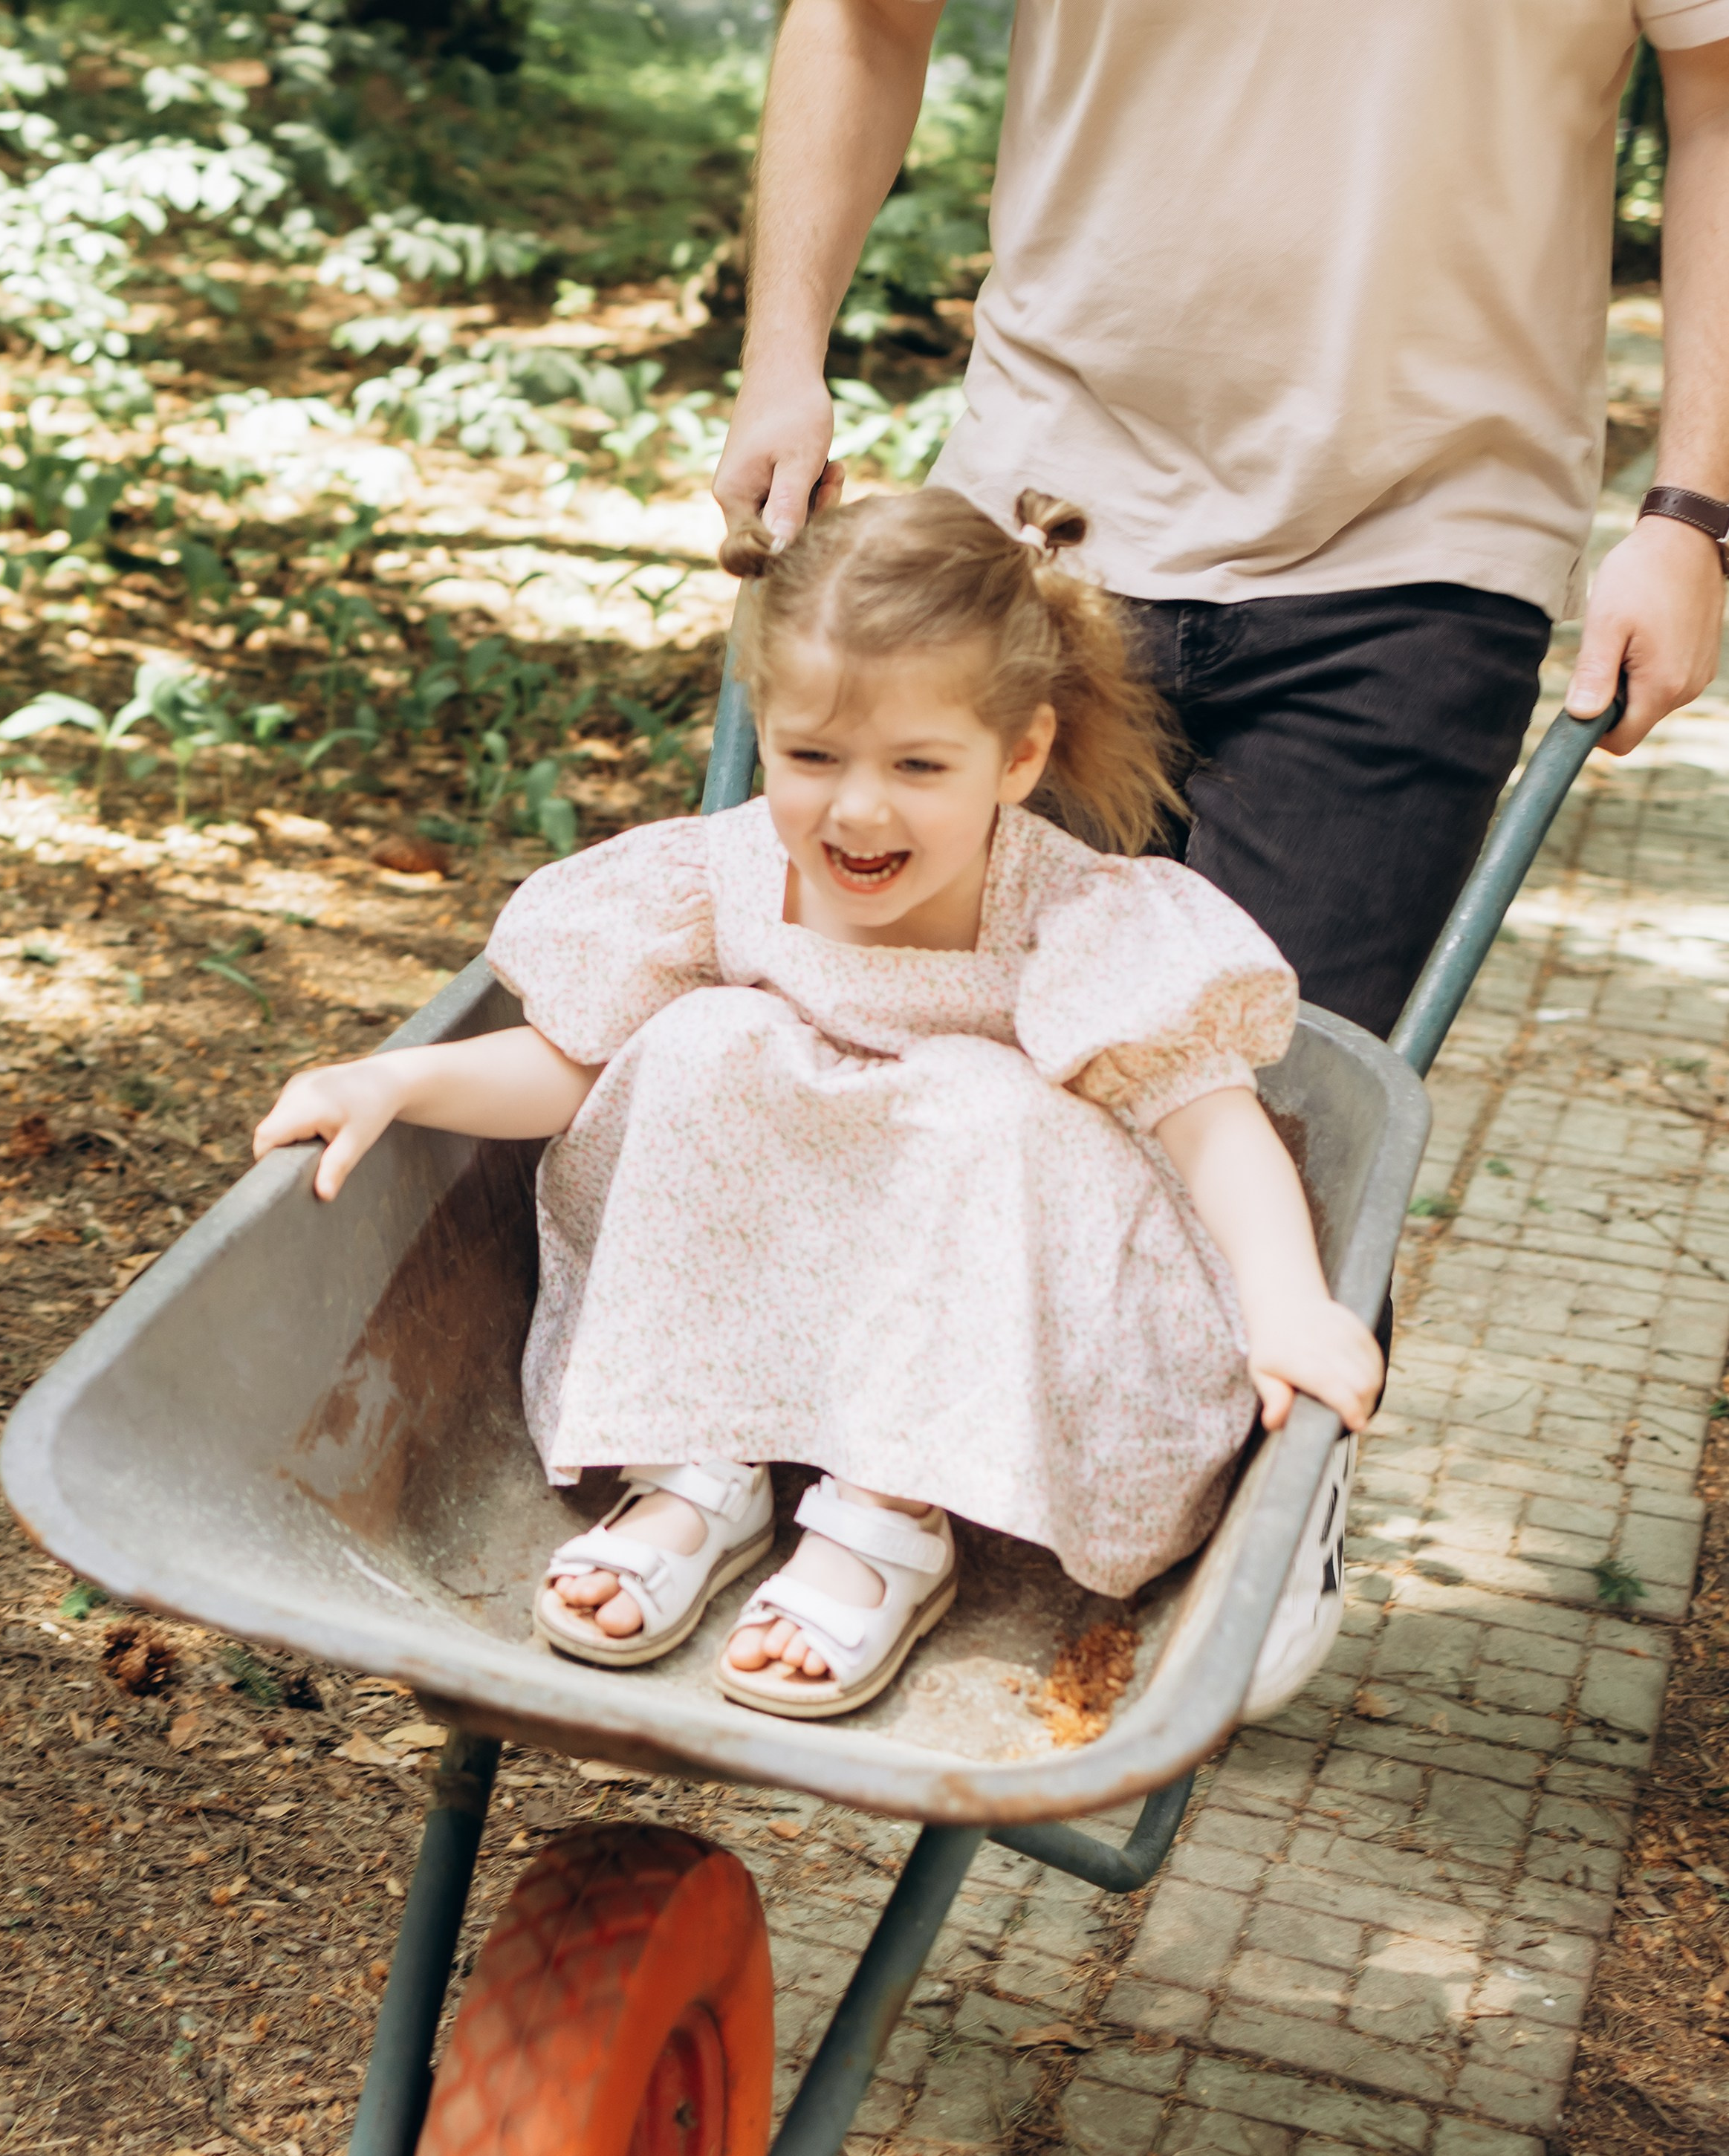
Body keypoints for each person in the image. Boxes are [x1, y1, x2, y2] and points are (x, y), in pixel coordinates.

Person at [713, 0, 1729, 1655]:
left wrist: (1693, 509)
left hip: (1426, 528)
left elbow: (1717, 96)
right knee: (936, 1044)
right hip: (1049, 501)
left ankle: (1240, 1524)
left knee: (1271, 1086)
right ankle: (885, 1486)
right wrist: (783, 361)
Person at [253, 490, 1382, 1724]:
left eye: (917, 766)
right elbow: (573, 1062)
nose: (856, 811)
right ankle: (698, 1468)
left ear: (1018, 756)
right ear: (764, 724)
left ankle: (888, 1515)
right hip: (784, 1270)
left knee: (974, 1094)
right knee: (704, 1037)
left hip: (1000, 1281)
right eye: (812, 757)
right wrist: (399, 1079)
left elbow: (1210, 1122)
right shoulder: (722, 875)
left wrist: (1284, 1302)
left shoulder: (1077, 916)